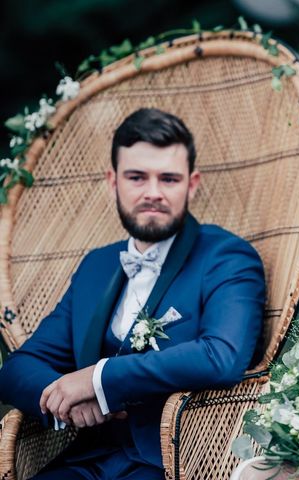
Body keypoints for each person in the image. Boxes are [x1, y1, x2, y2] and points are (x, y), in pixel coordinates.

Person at [0, 108, 266, 479]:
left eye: (169, 179)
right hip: (83, 461)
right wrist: (64, 399)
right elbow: (16, 368)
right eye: (137, 177)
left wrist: (99, 379)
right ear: (113, 181)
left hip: (174, 462)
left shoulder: (227, 257)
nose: (153, 193)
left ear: (192, 184)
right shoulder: (96, 265)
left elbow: (221, 355)